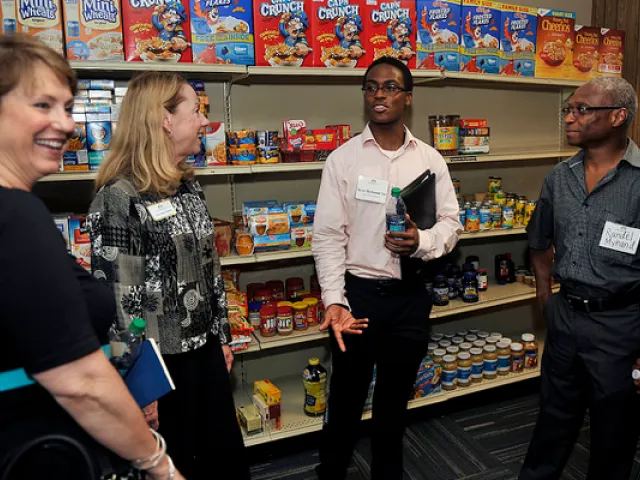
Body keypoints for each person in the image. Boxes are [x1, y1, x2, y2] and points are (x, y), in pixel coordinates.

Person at [0, 35, 182, 480]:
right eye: (43, 105)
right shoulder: (15, 216)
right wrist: (159, 463)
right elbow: (80, 382)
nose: (65, 124)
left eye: (67, 107)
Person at [88, 71, 249, 480]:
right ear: (164, 119)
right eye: (195, 112)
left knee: (224, 462)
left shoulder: (187, 187)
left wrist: (221, 339)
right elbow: (121, 306)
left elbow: (210, 271)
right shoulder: (118, 198)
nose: (203, 123)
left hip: (205, 355)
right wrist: (139, 385)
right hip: (160, 368)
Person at [312, 56, 462, 480]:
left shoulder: (430, 160)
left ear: (408, 98)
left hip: (410, 298)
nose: (379, 93)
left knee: (394, 406)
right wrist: (334, 300)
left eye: (391, 86)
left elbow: (452, 224)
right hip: (358, 299)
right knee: (345, 402)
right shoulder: (342, 161)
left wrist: (422, 243)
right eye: (371, 86)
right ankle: (332, 472)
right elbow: (326, 237)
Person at [521, 77, 640, 480]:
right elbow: (539, 244)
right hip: (566, 316)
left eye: (581, 110)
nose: (570, 118)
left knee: (614, 434)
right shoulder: (559, 177)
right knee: (552, 421)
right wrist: (544, 298)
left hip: (621, 325)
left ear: (618, 116)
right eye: (568, 109)